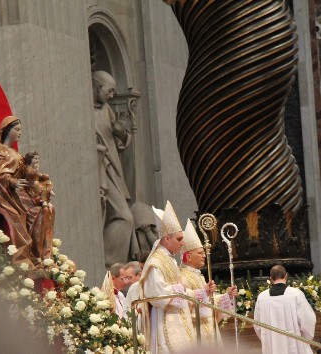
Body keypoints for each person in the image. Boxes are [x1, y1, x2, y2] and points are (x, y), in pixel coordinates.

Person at [139, 201, 213, 353]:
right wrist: (178, 289)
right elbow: (155, 293)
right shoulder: (156, 261)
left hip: (180, 317)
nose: (182, 243)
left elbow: (182, 291)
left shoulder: (171, 260)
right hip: (165, 319)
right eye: (179, 239)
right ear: (166, 239)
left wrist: (198, 293)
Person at [0, 116, 52, 269]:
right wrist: (12, 182)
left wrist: (42, 184)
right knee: (34, 212)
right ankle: (26, 256)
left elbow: (27, 175)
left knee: (47, 209)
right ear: (7, 131)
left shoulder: (16, 154)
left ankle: (41, 255)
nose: (20, 133)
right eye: (17, 129)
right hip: (9, 195)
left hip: (22, 193)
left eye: (20, 130)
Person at [92, 70, 134, 267]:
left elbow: (124, 140)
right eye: (109, 91)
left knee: (125, 217)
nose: (111, 96)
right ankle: (108, 265)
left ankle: (110, 263)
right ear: (97, 87)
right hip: (100, 168)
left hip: (113, 169)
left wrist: (121, 132)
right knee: (124, 217)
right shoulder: (85, 110)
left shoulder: (106, 109)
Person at [179, 219, 237, 345]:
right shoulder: (182, 276)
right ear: (188, 256)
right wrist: (203, 292)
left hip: (209, 329)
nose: (204, 256)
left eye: (204, 253)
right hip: (196, 331)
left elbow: (208, 301)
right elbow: (182, 302)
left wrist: (226, 296)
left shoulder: (198, 276)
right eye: (200, 253)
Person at [254, 265, 316, 354]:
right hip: (295, 344)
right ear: (286, 276)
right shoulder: (295, 294)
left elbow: (257, 326)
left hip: (271, 347)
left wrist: (267, 337)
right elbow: (309, 320)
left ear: (271, 278)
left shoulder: (262, 297)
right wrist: (305, 339)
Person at [21, 151, 55, 261]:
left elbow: (42, 181)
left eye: (38, 159)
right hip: (29, 202)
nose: (37, 161)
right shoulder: (28, 172)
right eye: (35, 159)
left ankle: (45, 251)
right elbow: (32, 185)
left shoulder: (36, 174)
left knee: (50, 210)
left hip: (37, 200)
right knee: (44, 211)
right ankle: (37, 251)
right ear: (30, 160)